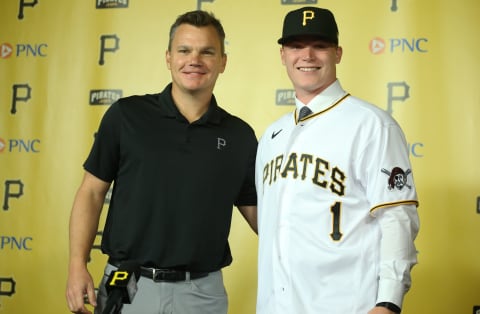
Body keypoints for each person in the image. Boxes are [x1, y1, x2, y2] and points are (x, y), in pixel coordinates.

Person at [66, 10, 258, 314]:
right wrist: (77, 265)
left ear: (223, 61)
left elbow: (259, 213)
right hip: (126, 286)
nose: (194, 59)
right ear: (168, 57)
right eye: (184, 50)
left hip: (202, 295)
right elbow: (91, 192)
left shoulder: (240, 136)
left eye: (207, 51)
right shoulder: (126, 116)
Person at [255, 6, 419, 314]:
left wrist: (388, 302)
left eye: (320, 46)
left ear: (338, 53)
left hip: (348, 305)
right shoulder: (272, 135)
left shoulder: (371, 124)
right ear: (283, 55)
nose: (307, 56)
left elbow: (398, 218)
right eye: (296, 46)